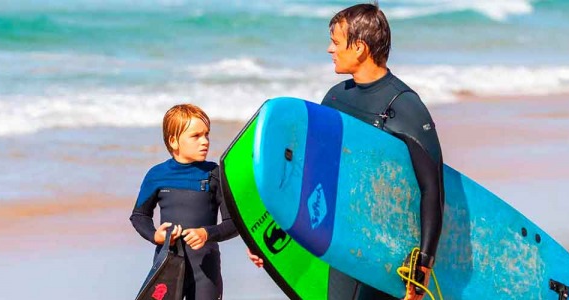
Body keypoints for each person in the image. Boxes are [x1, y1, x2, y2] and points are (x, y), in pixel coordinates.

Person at [249, 3, 444, 300]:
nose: (330, 49)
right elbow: (309, 177)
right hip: (339, 244)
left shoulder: (405, 107)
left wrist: (423, 265)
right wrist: (275, 240)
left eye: (336, 42)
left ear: (360, 48)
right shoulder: (335, 98)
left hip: (382, 252)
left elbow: (432, 190)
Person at [131, 104, 238, 300]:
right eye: (196, 136)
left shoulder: (215, 174)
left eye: (206, 135)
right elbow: (139, 216)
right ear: (173, 141)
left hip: (206, 270)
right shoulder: (157, 175)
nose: (204, 141)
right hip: (167, 265)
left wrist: (206, 233)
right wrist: (156, 236)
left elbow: (234, 224)